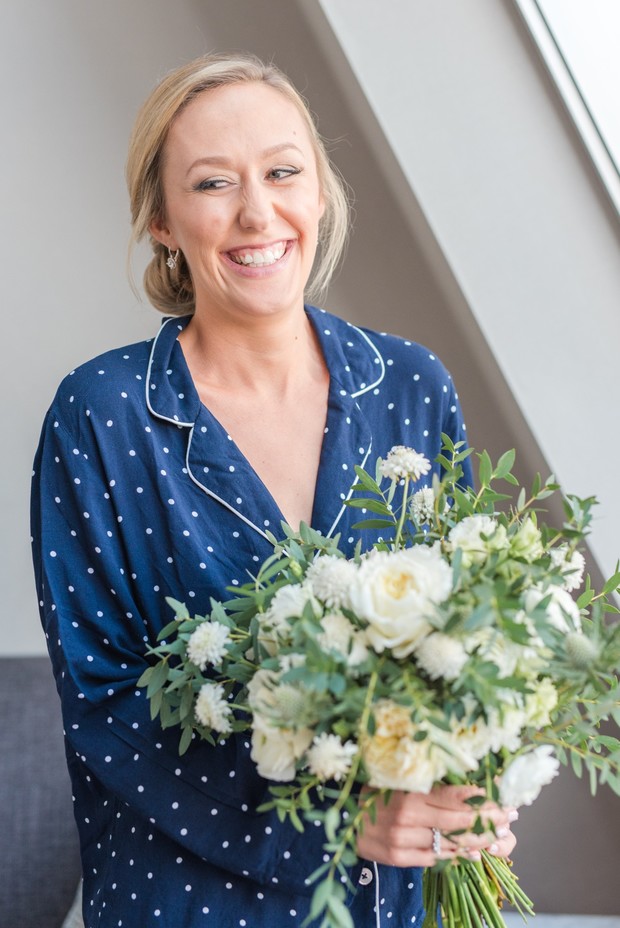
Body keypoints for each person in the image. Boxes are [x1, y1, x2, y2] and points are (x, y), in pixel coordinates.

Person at [31, 53, 517, 928]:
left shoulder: (410, 384)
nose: (259, 213)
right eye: (214, 183)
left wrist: (473, 772)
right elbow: (105, 702)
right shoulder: (102, 415)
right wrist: (341, 824)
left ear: (320, 191)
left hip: (391, 901)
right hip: (186, 900)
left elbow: (466, 636)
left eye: (283, 172)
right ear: (162, 222)